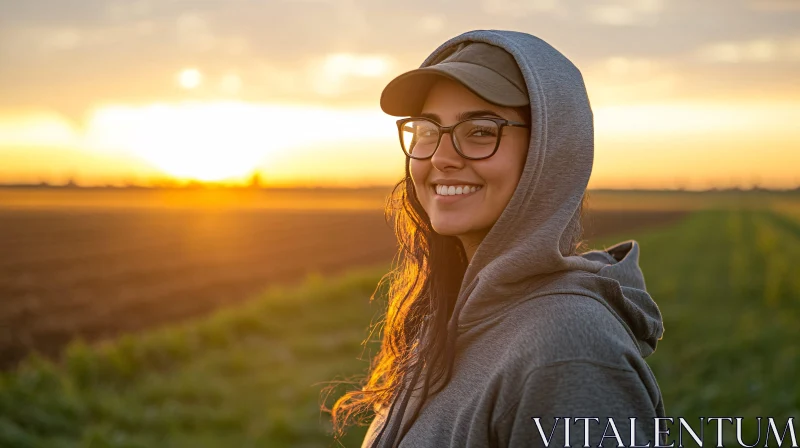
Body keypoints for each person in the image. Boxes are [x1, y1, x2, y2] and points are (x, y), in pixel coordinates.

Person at [328, 29, 667, 448]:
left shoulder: (568, 352)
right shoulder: (445, 314)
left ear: (549, 151)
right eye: (428, 129)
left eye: (481, 131)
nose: (441, 158)